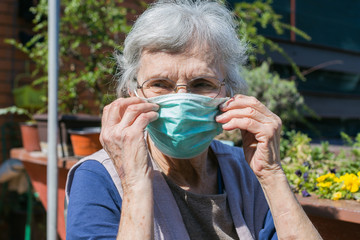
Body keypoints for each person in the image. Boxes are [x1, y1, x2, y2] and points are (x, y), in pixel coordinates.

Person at [66, 0, 322, 239]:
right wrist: (135, 183)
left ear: (229, 93)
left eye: (201, 83)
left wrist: (271, 173)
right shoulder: (98, 177)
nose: (182, 99)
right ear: (134, 93)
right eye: (160, 84)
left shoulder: (246, 170)